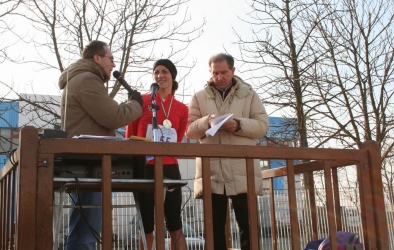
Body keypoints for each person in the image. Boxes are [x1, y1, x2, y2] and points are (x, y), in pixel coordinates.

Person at [58, 40, 143, 250]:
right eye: (111, 59)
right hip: (90, 161)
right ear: (97, 58)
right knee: (86, 232)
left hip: (88, 161)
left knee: (84, 226)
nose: (113, 65)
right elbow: (113, 116)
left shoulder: (78, 78)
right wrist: (135, 104)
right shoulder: (87, 80)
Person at [185, 53, 269, 250]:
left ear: (233, 71)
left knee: (248, 227)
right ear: (210, 72)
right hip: (212, 169)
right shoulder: (199, 96)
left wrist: (238, 124)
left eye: (224, 72)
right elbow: (189, 130)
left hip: (242, 168)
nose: (220, 77)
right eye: (215, 73)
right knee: (214, 229)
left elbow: (263, 126)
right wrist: (207, 121)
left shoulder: (250, 95)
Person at [125, 59, 188, 250]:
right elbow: (130, 134)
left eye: (165, 71)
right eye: (156, 72)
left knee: (175, 222)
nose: (160, 75)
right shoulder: (143, 101)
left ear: (173, 76)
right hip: (144, 166)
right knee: (146, 224)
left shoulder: (182, 108)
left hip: (169, 165)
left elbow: (179, 135)